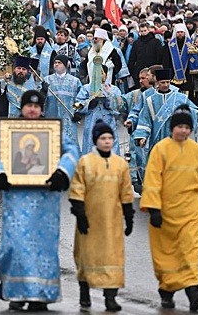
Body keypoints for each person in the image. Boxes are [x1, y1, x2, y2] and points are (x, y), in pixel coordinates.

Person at [0, 90, 79, 312]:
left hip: (46, 200)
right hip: (16, 198)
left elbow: (71, 151)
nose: (33, 110)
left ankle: (41, 296)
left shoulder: (52, 132)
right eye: (28, 106)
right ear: (22, 108)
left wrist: (62, 172)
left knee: (43, 248)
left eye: (36, 106)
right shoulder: (8, 131)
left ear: (41, 109)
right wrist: (0, 175)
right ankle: (16, 292)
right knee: (14, 245)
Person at [140, 105, 198, 312]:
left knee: (190, 250)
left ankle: (193, 289)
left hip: (190, 212)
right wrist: (154, 209)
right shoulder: (160, 150)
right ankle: (167, 291)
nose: (183, 131)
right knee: (166, 254)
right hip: (165, 212)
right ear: (172, 128)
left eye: (187, 127)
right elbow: (152, 179)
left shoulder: (197, 151)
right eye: (179, 126)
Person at [69, 120, 134, 312]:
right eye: (102, 138)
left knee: (113, 258)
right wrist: (80, 214)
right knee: (87, 257)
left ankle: (110, 297)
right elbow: (77, 190)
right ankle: (84, 293)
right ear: (96, 140)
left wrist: (129, 217)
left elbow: (126, 192)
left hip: (111, 222)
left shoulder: (120, 164)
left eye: (109, 138)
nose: (106, 142)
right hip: (89, 221)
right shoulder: (85, 162)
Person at [134, 69, 198, 150]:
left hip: (176, 138)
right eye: (163, 82)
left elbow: (196, 111)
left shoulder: (180, 97)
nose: (166, 85)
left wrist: (187, 113)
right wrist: (142, 137)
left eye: (168, 82)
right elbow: (145, 120)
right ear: (157, 82)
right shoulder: (150, 100)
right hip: (157, 140)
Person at [0, 56, 38, 136]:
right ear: (14, 69)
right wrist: (3, 84)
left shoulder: (32, 85)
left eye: (23, 69)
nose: (21, 71)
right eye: (18, 68)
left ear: (27, 71)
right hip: (6, 119)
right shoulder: (6, 81)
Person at [75, 64, 123, 155]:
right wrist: (89, 104)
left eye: (101, 73)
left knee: (110, 144)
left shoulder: (113, 89)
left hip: (109, 122)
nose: (99, 75)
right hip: (91, 122)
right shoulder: (86, 88)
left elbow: (120, 105)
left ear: (106, 74)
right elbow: (78, 104)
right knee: (91, 144)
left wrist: (108, 103)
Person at [122, 68, 153, 194]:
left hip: (153, 134)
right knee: (136, 157)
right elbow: (128, 107)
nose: (140, 81)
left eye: (143, 78)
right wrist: (130, 120)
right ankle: (137, 180)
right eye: (139, 78)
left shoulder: (158, 94)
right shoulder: (135, 95)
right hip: (138, 133)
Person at [43, 54, 83, 150]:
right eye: (55, 63)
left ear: (65, 65)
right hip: (52, 118)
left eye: (59, 63)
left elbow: (80, 98)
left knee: (70, 147)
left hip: (69, 120)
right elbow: (41, 101)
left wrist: (77, 112)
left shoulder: (75, 81)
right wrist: (43, 92)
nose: (56, 65)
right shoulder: (47, 80)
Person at [162, 23, 198, 99]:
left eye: (181, 32)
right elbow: (166, 61)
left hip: (187, 77)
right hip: (173, 77)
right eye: (178, 32)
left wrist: (195, 52)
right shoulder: (169, 46)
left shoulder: (190, 45)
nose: (180, 34)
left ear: (185, 33)